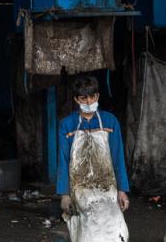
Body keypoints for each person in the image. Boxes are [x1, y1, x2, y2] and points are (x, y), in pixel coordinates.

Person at [57, 75, 130, 242]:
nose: (89, 102)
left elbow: (118, 157)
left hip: (107, 187)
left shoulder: (110, 122)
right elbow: (63, 160)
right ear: (76, 99)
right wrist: (64, 194)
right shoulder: (67, 125)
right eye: (84, 98)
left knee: (118, 233)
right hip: (80, 189)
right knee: (87, 233)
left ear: (97, 96)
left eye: (92, 97)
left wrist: (122, 190)